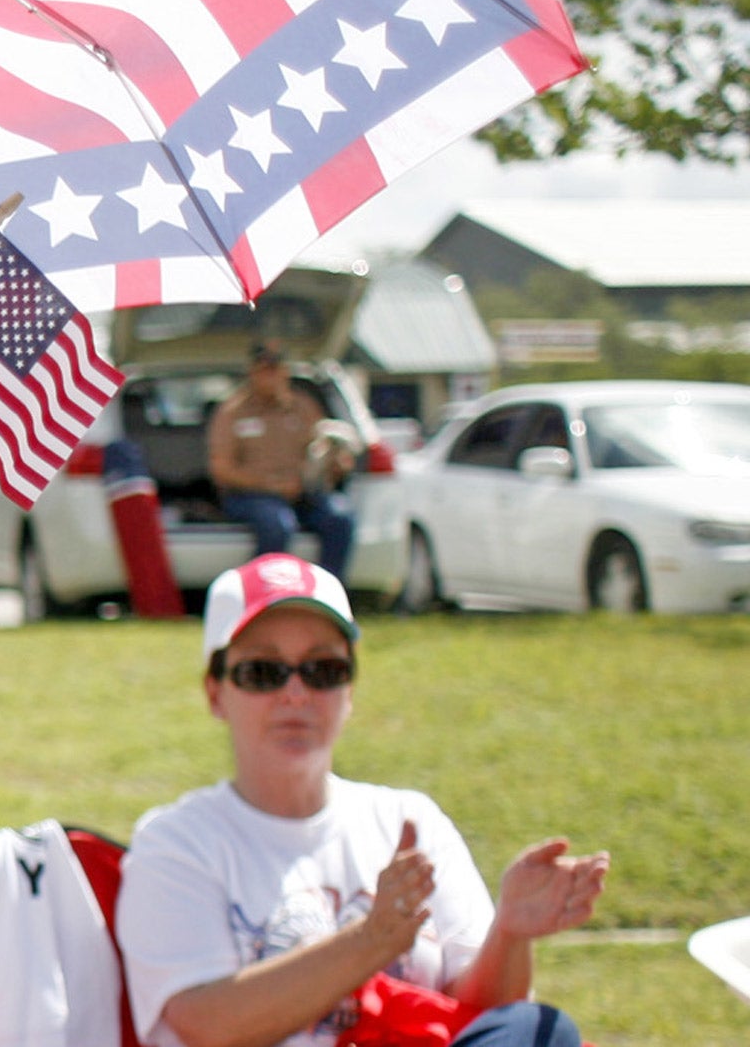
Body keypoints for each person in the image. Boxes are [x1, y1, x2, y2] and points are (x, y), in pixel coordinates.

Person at [115, 555, 609, 1047]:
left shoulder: (409, 820)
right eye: (263, 672)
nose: (295, 693)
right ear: (215, 693)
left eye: (323, 670)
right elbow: (205, 1025)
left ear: (350, 689)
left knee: (542, 1031)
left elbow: (485, 1019)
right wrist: (371, 940)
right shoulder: (176, 842)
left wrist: (511, 932)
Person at [207, 342, 356, 580]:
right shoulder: (232, 411)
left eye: (275, 369)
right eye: (264, 369)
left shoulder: (303, 406)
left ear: (285, 371)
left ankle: (328, 593)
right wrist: (272, 486)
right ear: (252, 373)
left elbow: (321, 445)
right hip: (250, 495)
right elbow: (221, 470)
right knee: (277, 524)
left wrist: (335, 462)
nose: (270, 376)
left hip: (301, 493)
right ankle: (264, 593)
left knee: (340, 517)